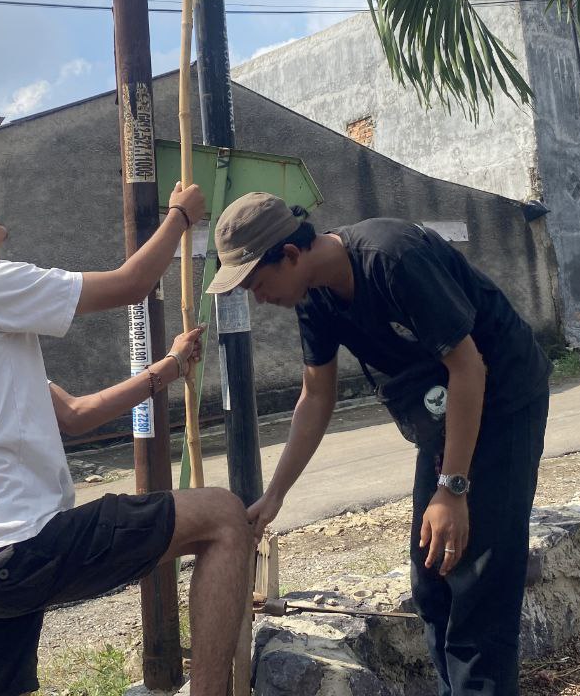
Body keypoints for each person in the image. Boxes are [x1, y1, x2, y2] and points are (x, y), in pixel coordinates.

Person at [0, 184, 251, 696]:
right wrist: (180, 217)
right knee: (223, 516)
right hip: (14, 545)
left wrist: (166, 367)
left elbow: (75, 416)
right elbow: (130, 284)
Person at [206, 194, 551, 696]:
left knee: (479, 582)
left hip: (502, 398)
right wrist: (275, 495)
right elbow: (315, 396)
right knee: (433, 578)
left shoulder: (393, 257)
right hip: (443, 410)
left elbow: (469, 367)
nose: (259, 299)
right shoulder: (315, 297)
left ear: (290, 255)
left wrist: (452, 489)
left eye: (258, 283)